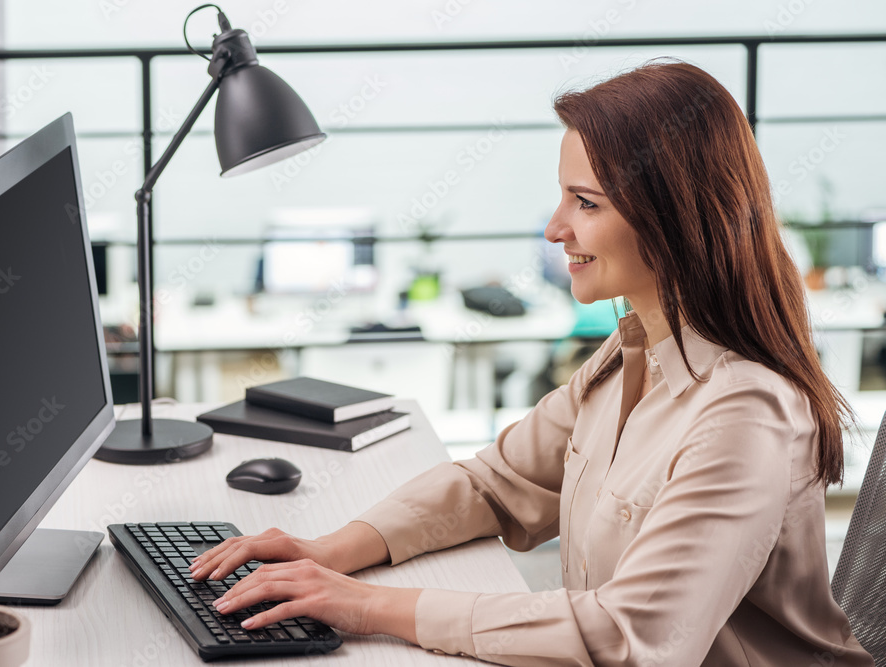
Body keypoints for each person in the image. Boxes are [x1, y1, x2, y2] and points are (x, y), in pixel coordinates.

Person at [188, 60, 875, 665]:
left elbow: (632, 638)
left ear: (673, 216)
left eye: (585, 202)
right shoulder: (632, 348)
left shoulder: (745, 413)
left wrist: (366, 606)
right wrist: (332, 550)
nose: (554, 227)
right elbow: (497, 481)